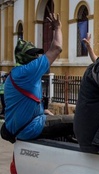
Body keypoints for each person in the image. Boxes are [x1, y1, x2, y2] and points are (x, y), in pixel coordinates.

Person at [2, 12, 74, 141]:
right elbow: (56, 48)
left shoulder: (15, 73)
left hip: (23, 126)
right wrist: (57, 28)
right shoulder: (28, 71)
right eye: (32, 54)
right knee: (77, 122)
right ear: (23, 57)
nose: (36, 57)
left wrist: (41, 112)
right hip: (30, 128)